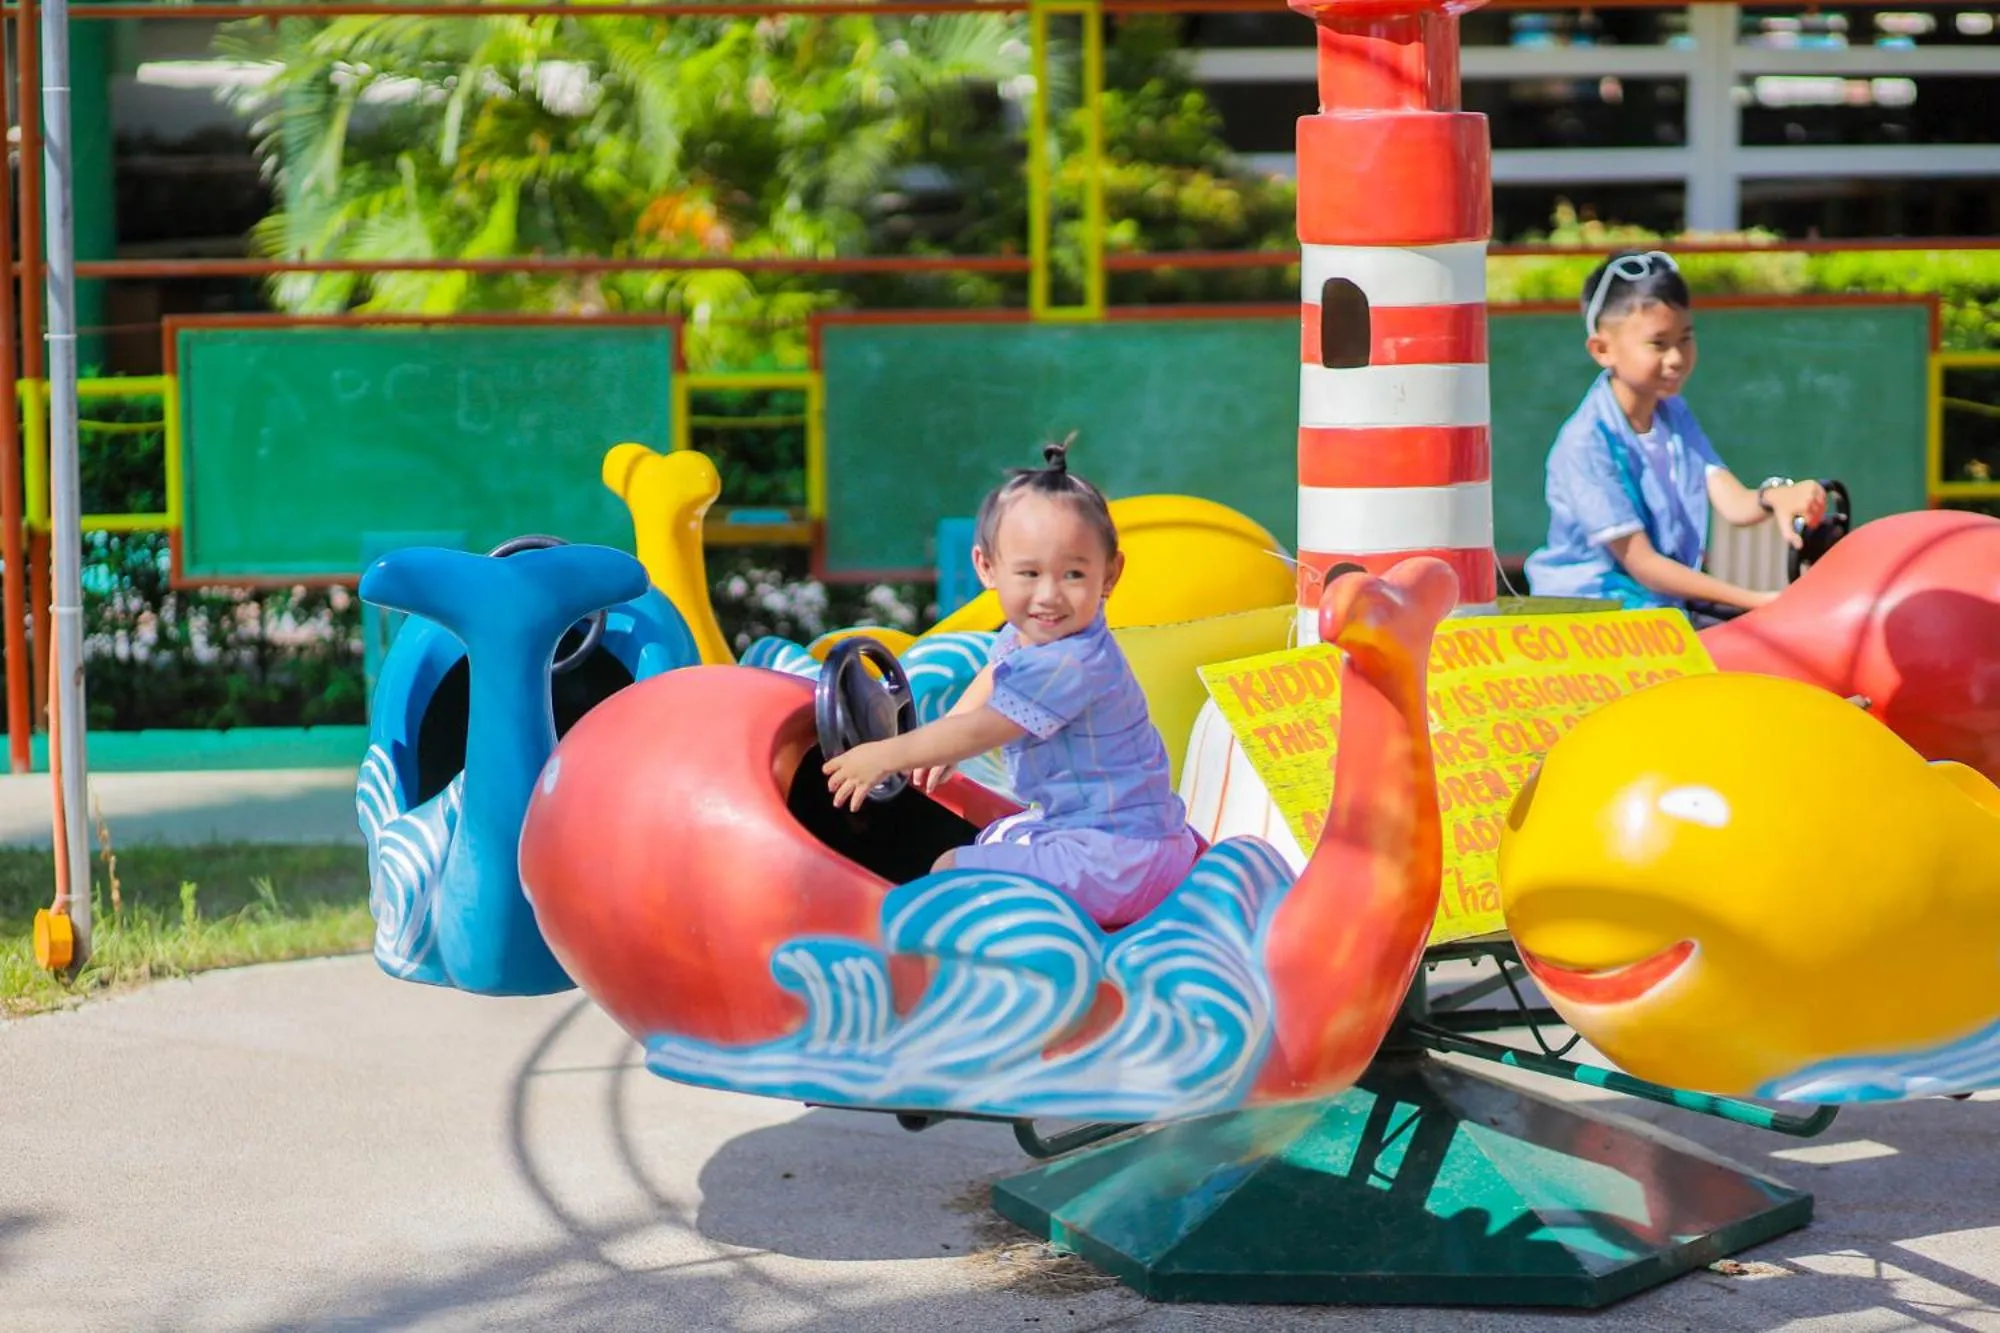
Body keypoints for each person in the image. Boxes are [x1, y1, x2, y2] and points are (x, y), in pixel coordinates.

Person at [823, 440, 1200, 928]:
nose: (1049, 595)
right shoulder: (1039, 635)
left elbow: (988, 728)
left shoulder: (1071, 660)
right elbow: (993, 671)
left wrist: (886, 754)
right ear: (987, 569)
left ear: (1111, 573)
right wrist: (944, 741)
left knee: (946, 872)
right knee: (997, 836)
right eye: (1029, 573)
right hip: (1130, 838)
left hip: (1117, 861)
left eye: (1073, 574)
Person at [1523, 249, 1827, 622]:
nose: (1677, 358)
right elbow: (1644, 564)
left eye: (1685, 338)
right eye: (1658, 343)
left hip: (1657, 612)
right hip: (1592, 622)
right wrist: (1755, 601)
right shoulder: (1585, 442)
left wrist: (1777, 497)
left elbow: (1733, 501)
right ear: (1602, 349)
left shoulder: (1672, 413)